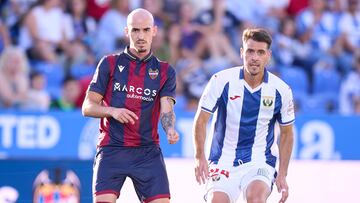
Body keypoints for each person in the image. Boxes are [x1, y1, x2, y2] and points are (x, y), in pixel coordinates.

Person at [82, 8, 180, 203]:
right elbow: (87, 107)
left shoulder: (165, 71)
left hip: (147, 151)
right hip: (112, 149)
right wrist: (111, 111)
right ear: (127, 32)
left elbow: (166, 108)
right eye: (135, 30)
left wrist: (169, 129)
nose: (140, 35)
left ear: (154, 31)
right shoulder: (109, 63)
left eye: (145, 30)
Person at [193, 28, 295, 203]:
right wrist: (199, 156)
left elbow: (286, 133)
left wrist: (283, 174)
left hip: (259, 160)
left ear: (268, 55)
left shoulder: (281, 90)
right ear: (242, 53)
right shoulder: (221, 81)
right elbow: (201, 120)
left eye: (260, 52)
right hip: (222, 159)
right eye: (250, 51)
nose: (255, 57)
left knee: (255, 199)